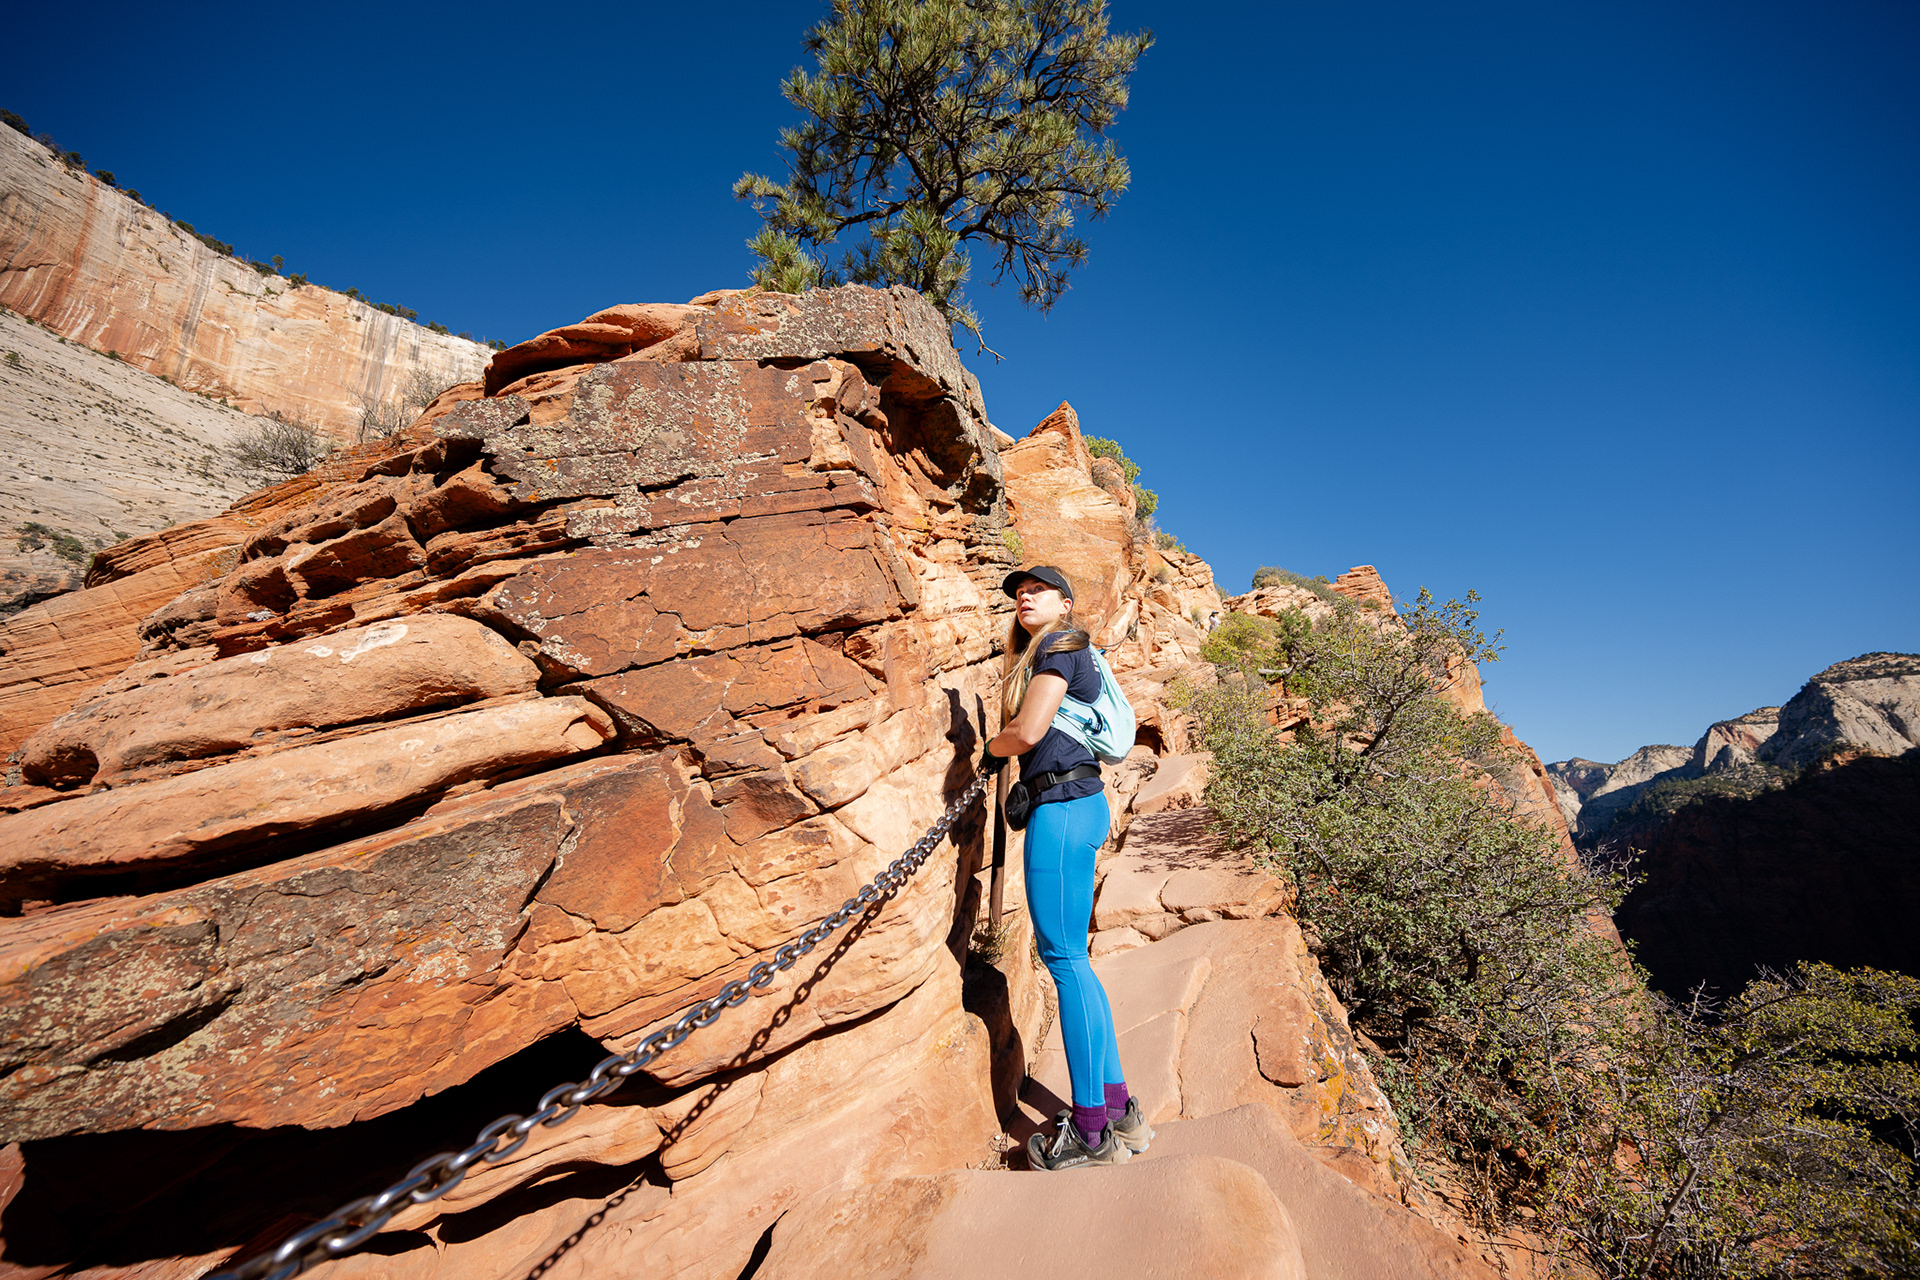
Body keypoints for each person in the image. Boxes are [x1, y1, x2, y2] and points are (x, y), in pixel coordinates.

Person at [980, 565, 1154, 1171]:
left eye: (1038, 590)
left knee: (1064, 961)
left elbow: (1029, 731)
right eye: (1019, 592)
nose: (1024, 597)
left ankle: (1090, 1131)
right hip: (1080, 805)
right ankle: (1118, 1109)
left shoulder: (1058, 645)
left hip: (1060, 811)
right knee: (1077, 962)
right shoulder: (1076, 652)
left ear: (1066, 603)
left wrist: (989, 750)